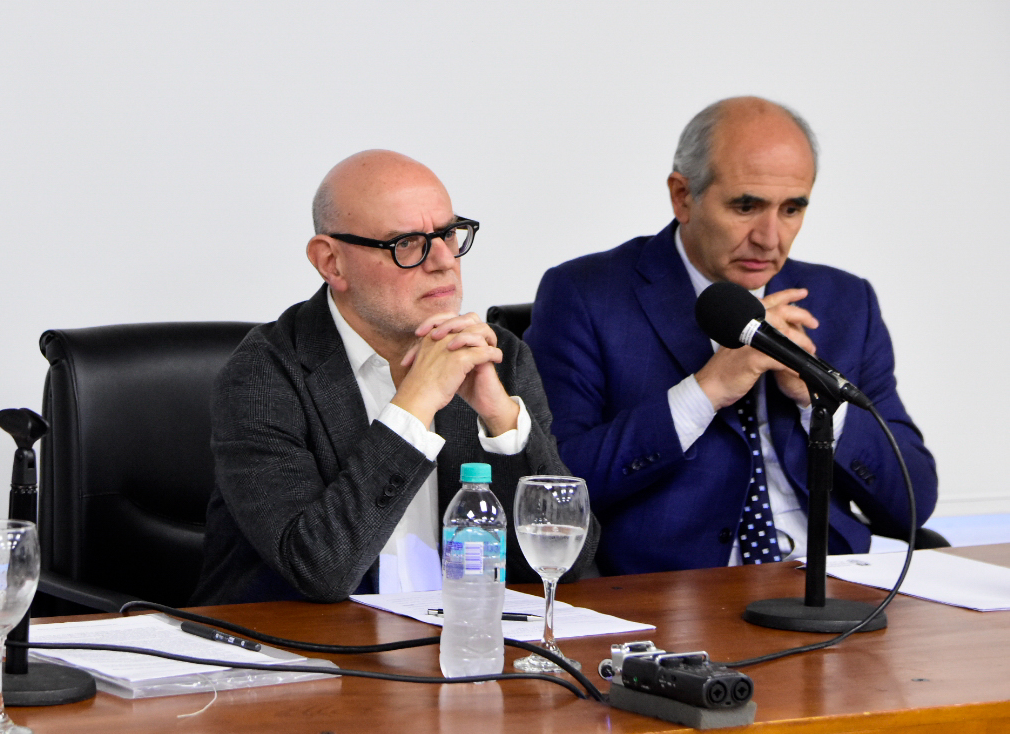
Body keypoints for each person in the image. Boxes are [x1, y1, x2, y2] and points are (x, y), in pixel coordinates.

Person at [525, 97, 937, 574]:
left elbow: (913, 503)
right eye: (746, 206)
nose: (769, 237)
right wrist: (706, 390)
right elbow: (555, 491)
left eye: (792, 209)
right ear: (683, 196)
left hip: (826, 582)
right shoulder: (585, 295)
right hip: (674, 590)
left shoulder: (844, 301)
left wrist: (818, 398)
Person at [193, 149, 594, 605]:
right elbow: (318, 570)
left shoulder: (498, 356)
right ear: (331, 262)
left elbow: (567, 565)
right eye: (407, 243)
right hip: (303, 641)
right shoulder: (264, 374)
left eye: (448, 234)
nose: (443, 260)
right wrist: (415, 403)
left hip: (453, 634)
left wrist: (500, 420)